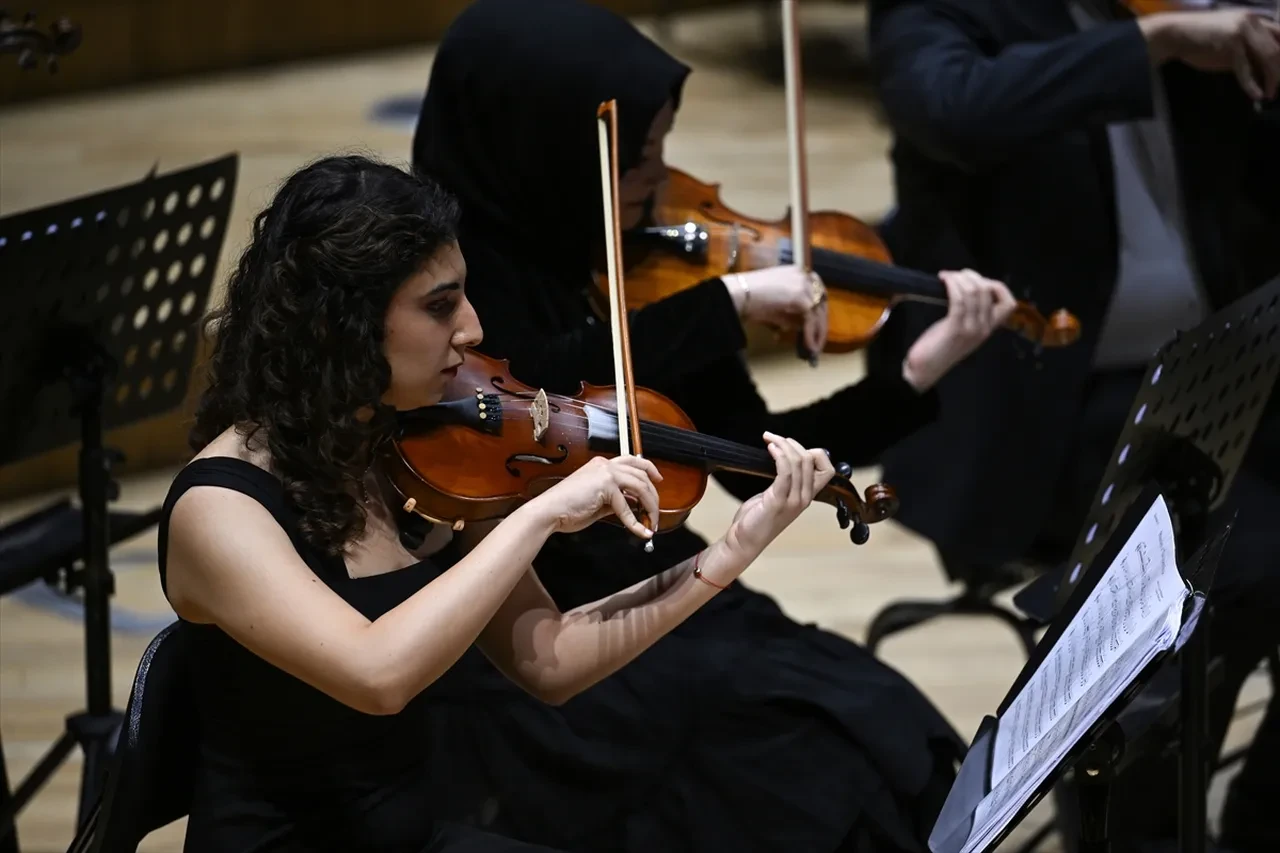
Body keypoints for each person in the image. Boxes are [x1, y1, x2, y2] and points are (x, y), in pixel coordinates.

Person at [406, 1, 1020, 851]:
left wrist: (918, 368)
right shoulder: (449, 293)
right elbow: (545, 374)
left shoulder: (645, 269)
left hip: (667, 591)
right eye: (639, 160)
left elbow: (747, 457)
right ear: (547, 153)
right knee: (805, 781)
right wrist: (726, 303)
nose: (661, 186)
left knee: (882, 726)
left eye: (660, 150)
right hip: (545, 649)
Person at [163, 153, 835, 853]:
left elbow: (551, 660)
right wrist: (537, 514)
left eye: (466, 294)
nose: (473, 328)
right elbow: (377, 674)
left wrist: (726, 555)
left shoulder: (426, 452)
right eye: (438, 305)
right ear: (342, 323)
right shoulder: (221, 508)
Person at [865, 2, 1280, 851]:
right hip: (1045, 414)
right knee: (1229, 580)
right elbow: (953, 106)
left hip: (1225, 360)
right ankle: (1139, 831)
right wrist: (1150, 43)